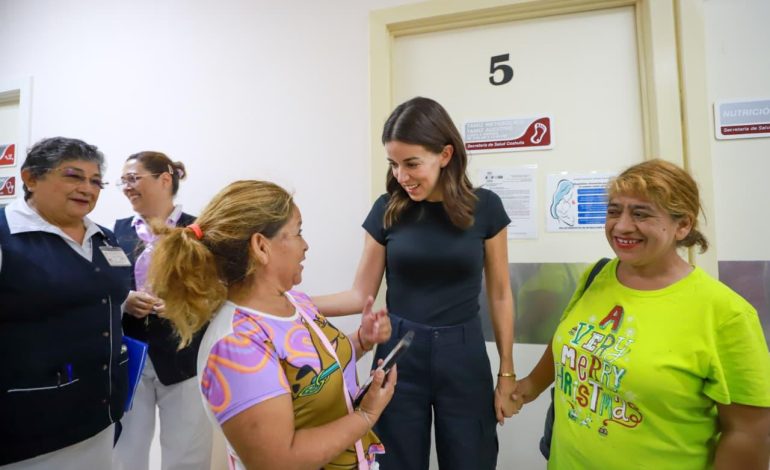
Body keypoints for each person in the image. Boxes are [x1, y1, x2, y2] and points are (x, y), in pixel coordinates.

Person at [512, 159, 770, 469]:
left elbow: (748, 433)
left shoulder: (726, 314)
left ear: (683, 225)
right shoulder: (598, 275)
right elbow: (569, 338)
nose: (621, 226)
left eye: (640, 214)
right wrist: (528, 387)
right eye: (613, 211)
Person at [313, 96, 518, 470]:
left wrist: (507, 372)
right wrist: (287, 302)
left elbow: (501, 294)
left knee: (472, 458)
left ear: (444, 154)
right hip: (398, 355)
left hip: (464, 352)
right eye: (393, 164)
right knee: (395, 462)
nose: (401, 176)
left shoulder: (485, 208)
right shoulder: (386, 210)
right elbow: (361, 294)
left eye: (411, 164)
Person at [146, 180, 396, 469]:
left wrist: (362, 340)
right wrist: (366, 416)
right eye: (298, 233)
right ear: (261, 246)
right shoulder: (236, 346)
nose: (306, 245)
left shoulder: (295, 303)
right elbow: (278, 461)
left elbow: (316, 368)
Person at [0, 137, 130, 469]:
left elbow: (101, 294)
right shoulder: (6, 234)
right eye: (73, 176)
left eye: (95, 181)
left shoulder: (104, 236)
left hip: (101, 412)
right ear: (31, 179)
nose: (87, 188)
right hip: (29, 427)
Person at [112, 151, 212, 470]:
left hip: (185, 356)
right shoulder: (116, 231)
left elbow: (217, 291)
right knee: (125, 452)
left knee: (187, 453)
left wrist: (185, 306)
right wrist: (125, 299)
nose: (126, 187)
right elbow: (106, 286)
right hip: (133, 355)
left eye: (133, 178)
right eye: (123, 181)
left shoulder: (199, 230)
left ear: (164, 180)